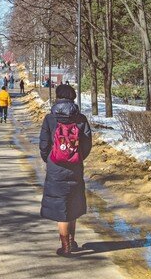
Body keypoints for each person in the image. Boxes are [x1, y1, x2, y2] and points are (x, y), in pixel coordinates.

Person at [39, 84, 92, 257]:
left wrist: (50, 159)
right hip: (75, 167)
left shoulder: (50, 118)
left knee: (60, 206)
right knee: (73, 205)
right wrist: (77, 158)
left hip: (56, 167)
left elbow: (44, 144)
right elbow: (87, 144)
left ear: (57, 97)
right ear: (73, 97)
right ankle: (72, 242)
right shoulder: (81, 119)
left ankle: (65, 246)